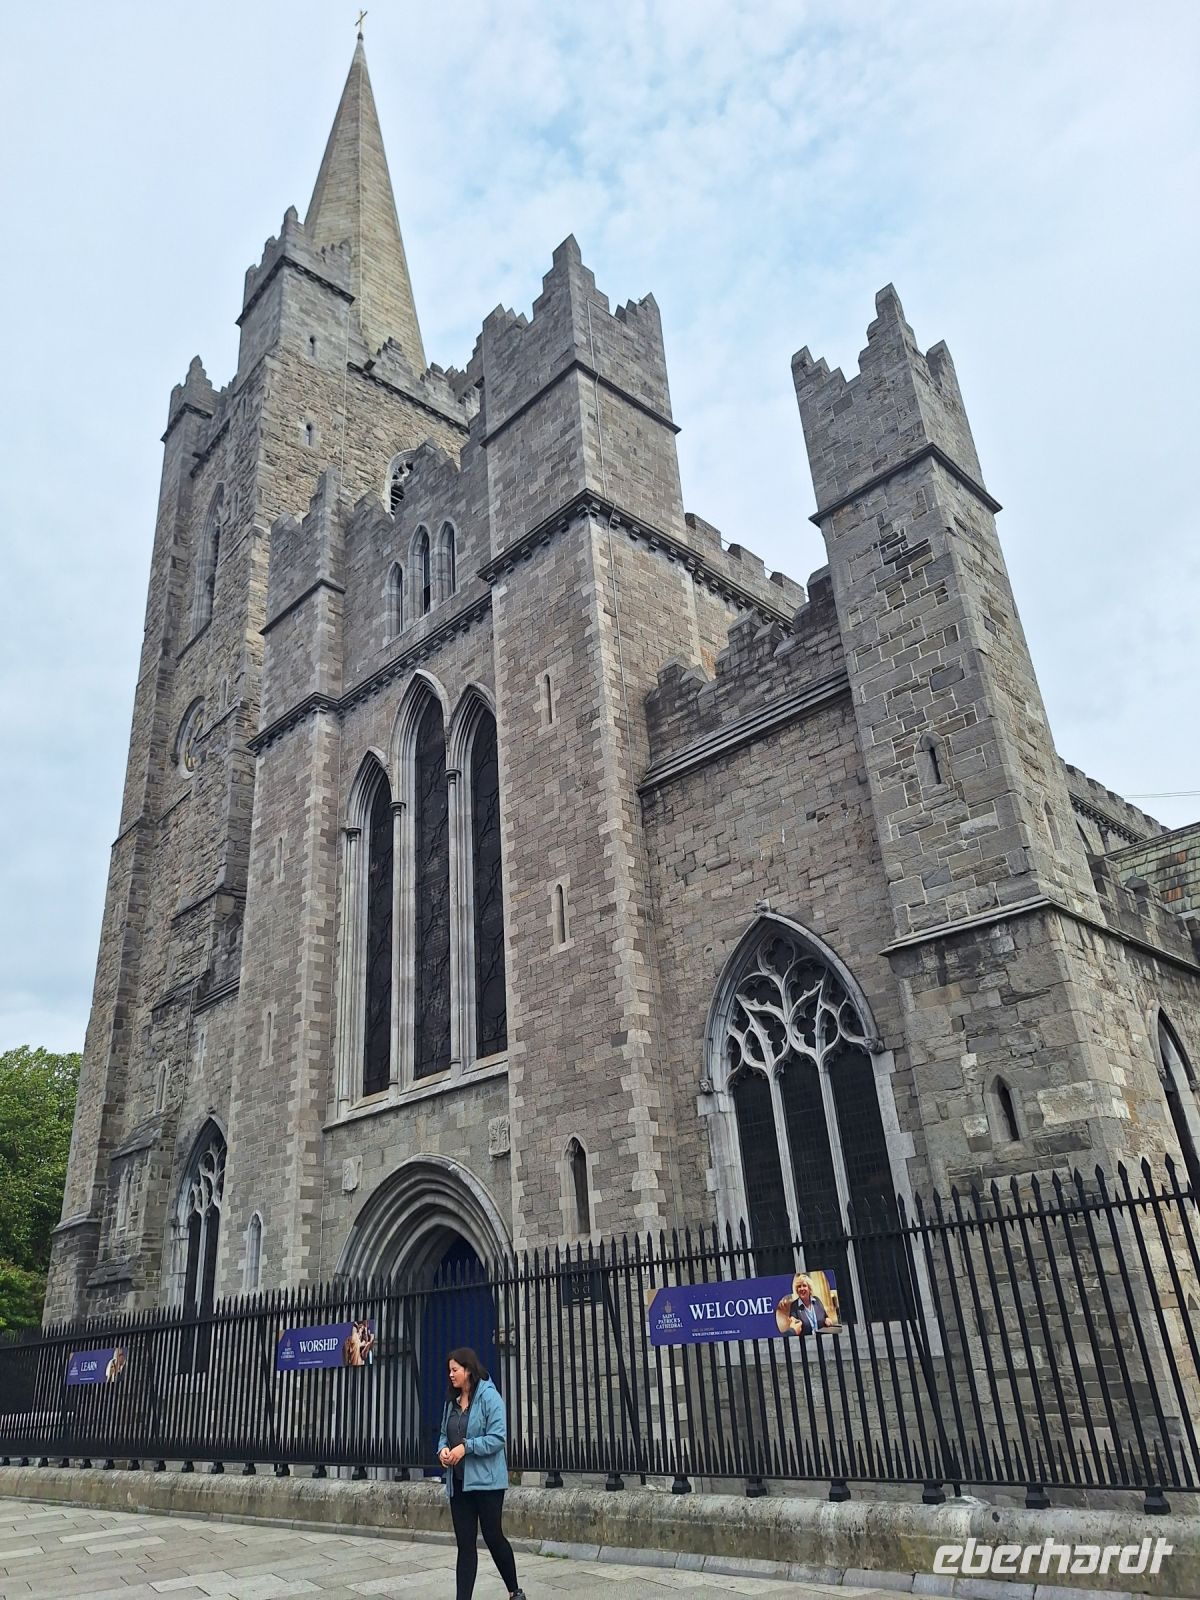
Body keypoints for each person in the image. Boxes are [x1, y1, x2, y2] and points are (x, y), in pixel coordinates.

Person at [436, 1347, 525, 1600]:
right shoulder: (451, 1402)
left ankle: (514, 1591)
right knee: (465, 1545)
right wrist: (442, 1450)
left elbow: (497, 1438)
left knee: (493, 1537)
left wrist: (466, 1447)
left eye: (455, 1370)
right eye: (449, 1370)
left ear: (468, 1370)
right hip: (459, 1483)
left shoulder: (489, 1397)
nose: (450, 1375)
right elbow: (443, 1434)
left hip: (487, 1484)